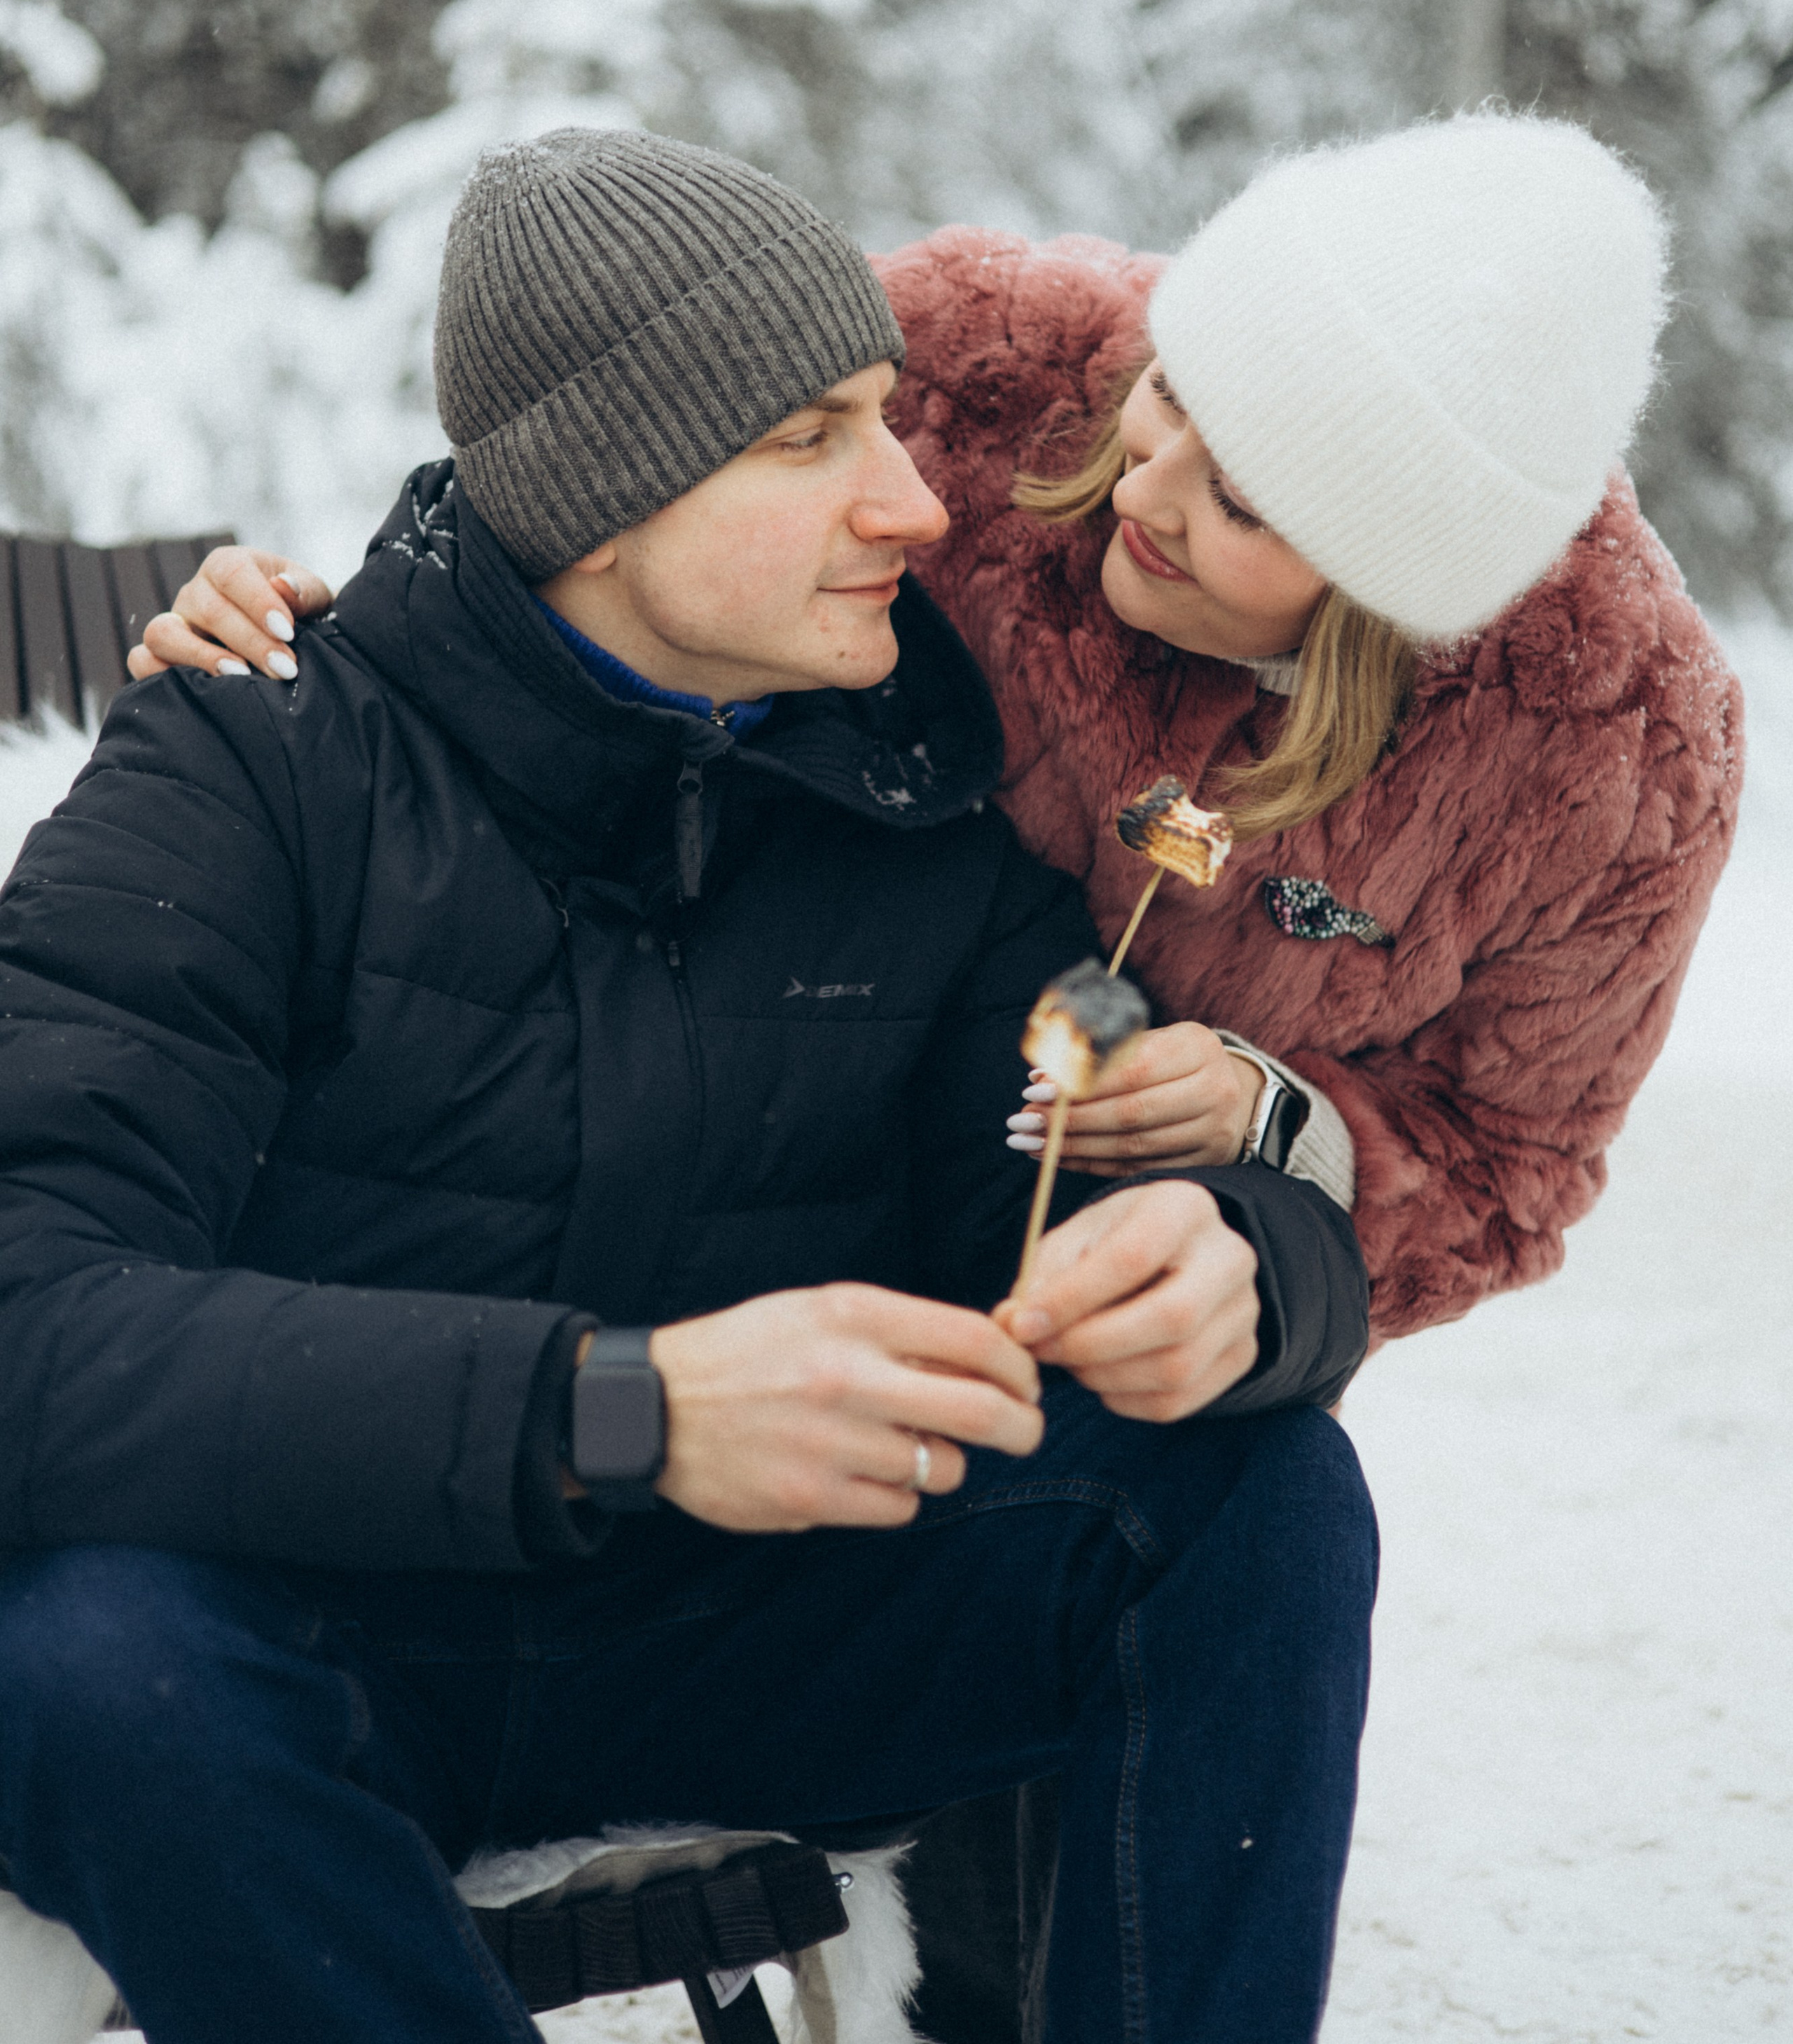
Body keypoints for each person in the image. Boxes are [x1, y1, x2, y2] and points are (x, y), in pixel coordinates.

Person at [0, 130, 1372, 2044]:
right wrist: (611, 1413)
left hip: (745, 1635)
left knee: (1249, 1489)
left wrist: (1243, 1266)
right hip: (321, 1645)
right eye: (813, 438)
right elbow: (31, 1316)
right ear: (604, 497)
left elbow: (1085, 1187)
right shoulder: (251, 770)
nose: (911, 503)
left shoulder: (918, 812)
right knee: (85, 1654)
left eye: (888, 419)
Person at [162, 111, 1740, 1339]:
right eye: (1172, 387)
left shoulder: (1603, 757)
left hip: (1101, 1295)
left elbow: (1510, 1163)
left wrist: (1283, 1134)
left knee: (1252, 1533)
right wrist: (331, 634)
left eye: (1247, 504)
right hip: (734, 1153)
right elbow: (605, 480)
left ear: (1385, 592)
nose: (1145, 487)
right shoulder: (968, 370)